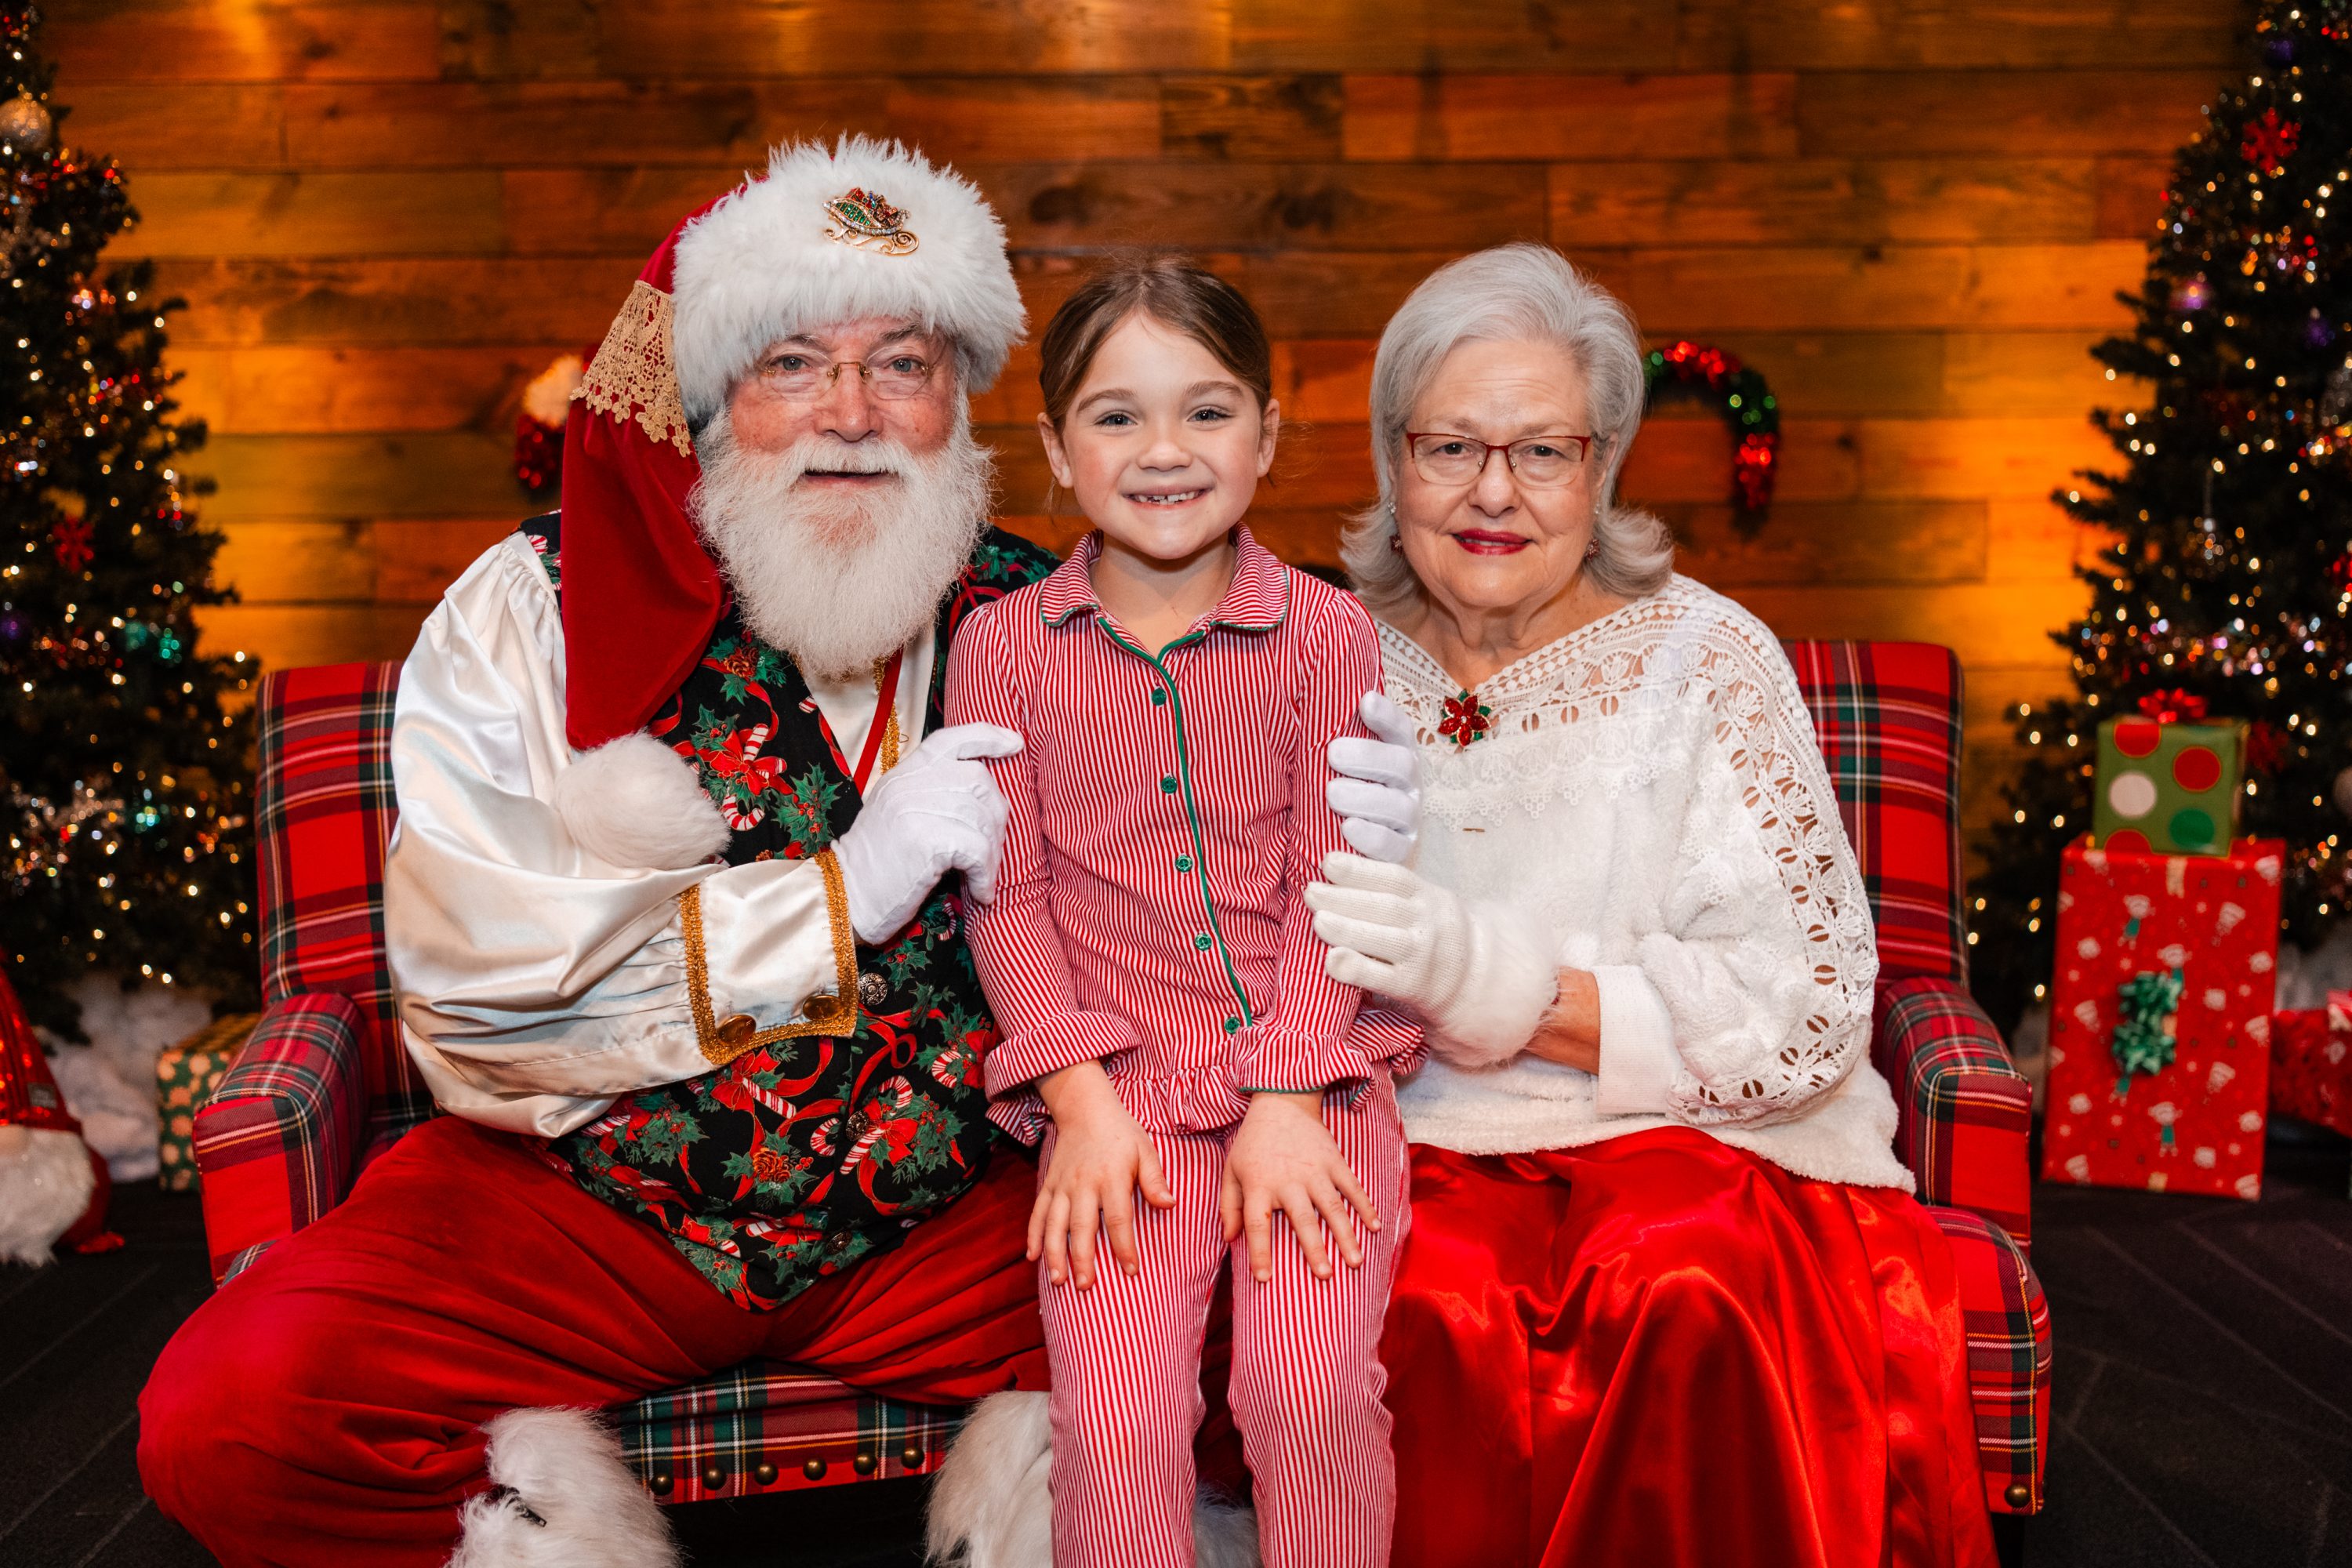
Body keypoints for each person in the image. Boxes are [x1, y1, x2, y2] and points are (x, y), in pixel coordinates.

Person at [133, 140, 1425, 1568]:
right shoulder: (533, 608)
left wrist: (1351, 822)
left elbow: (1206, 885)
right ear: (706, 398)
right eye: (794, 364)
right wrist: (837, 900)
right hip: (593, 1213)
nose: (852, 414)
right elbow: (472, 996)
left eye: (902, 365)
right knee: (234, 1413)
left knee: (1325, 1316)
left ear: (964, 401)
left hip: (955, 1219)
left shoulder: (1040, 612)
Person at [1303, 243, 2000, 1568]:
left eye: (1542, 451)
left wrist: (1508, 996)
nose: (1493, 492)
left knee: (1676, 1275)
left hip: (1687, 1130)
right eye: (1450, 447)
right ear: (1394, 462)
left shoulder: (1709, 658)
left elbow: (1803, 1006)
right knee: (1419, 1287)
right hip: (1412, 1127)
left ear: (1604, 465)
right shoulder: (1322, 652)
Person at [944, 258, 1420, 1568]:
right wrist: (1080, 1101)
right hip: (1119, 1098)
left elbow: (1338, 873)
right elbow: (1008, 893)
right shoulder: (1002, 646)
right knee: (1116, 1423)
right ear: (1058, 449)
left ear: (1266, 434)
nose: (1166, 450)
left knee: (1308, 1397)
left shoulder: (1327, 632)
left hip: (1309, 1084)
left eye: (1208, 412)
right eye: (1118, 416)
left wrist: (1288, 1098)